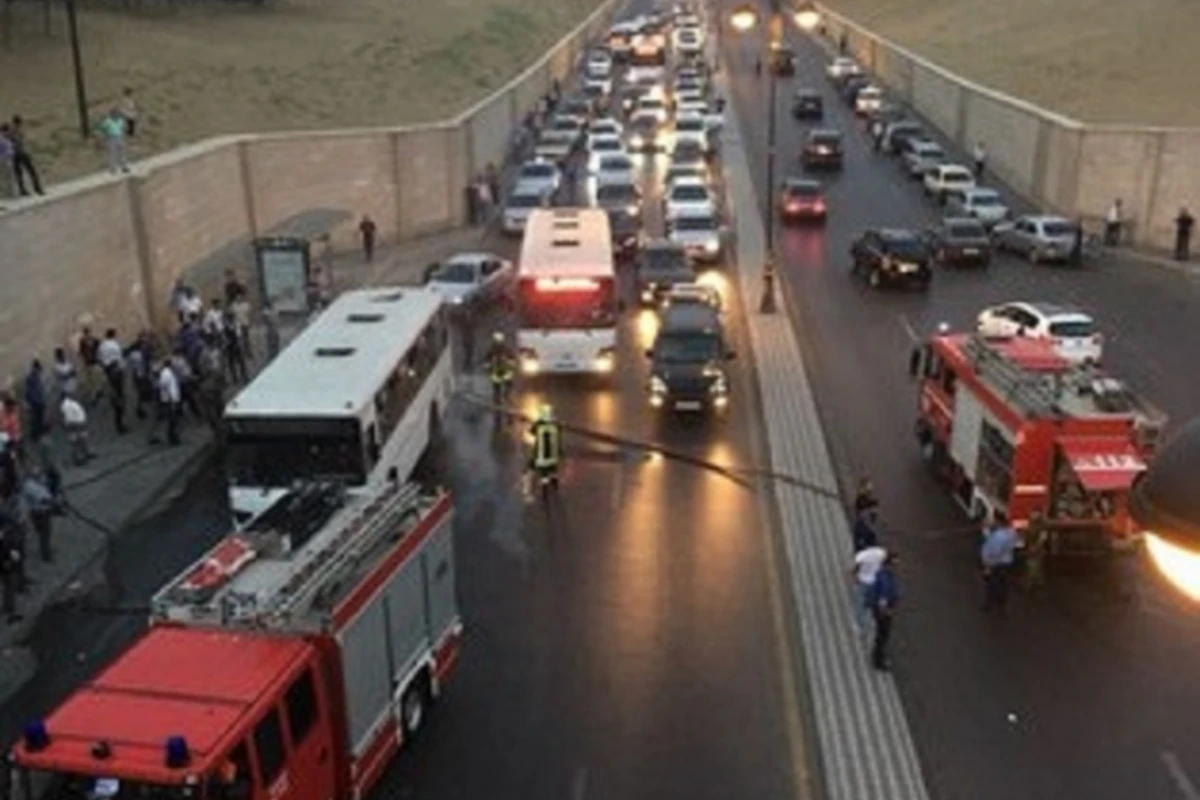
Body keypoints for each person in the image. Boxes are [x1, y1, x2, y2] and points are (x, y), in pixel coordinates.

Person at [866, 552, 899, 670]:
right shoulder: (885, 578)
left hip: (880, 609)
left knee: (881, 634)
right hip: (883, 611)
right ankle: (879, 660)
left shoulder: (882, 575)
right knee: (883, 634)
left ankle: (877, 656)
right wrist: (886, 611)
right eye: (894, 564)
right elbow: (883, 598)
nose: (896, 567)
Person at [981, 514, 1020, 612]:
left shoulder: (999, 536)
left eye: (993, 521)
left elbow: (994, 551)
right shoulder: (1011, 532)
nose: (991, 522)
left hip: (996, 563)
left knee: (992, 584)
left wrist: (988, 565)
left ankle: (989, 604)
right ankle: (1002, 605)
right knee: (1004, 584)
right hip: (1007, 562)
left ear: (998, 522)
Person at [526, 405, 563, 497]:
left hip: (541, 453)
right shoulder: (555, 424)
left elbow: (531, 432)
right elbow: (559, 433)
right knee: (553, 469)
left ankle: (545, 489)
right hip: (553, 453)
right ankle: (555, 483)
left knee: (544, 472)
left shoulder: (539, 424)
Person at [20, 470, 55, 563]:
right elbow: (40, 499)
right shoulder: (28, 486)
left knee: (46, 533)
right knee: (44, 534)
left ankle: (47, 550)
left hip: (44, 511)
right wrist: (52, 501)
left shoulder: (35, 481)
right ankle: (46, 555)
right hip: (39, 513)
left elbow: (45, 487)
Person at [852, 544, 888, 631]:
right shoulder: (880, 553)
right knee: (868, 603)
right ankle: (867, 621)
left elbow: (855, 567)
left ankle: (860, 624)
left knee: (859, 604)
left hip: (862, 581)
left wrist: (854, 577)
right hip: (872, 582)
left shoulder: (862, 555)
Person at [60, 393, 95, 465]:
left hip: (73, 423)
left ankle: (81, 456)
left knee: (77, 441)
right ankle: (80, 457)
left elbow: (66, 416)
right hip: (77, 422)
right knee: (79, 440)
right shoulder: (69, 404)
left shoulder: (65, 405)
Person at [484, 332, 516, 406]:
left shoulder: (506, 350)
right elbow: (487, 360)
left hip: (505, 370)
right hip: (496, 371)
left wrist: (511, 364)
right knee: (497, 386)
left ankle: (506, 397)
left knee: (508, 384)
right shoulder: (492, 351)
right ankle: (498, 399)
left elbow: (512, 358)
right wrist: (488, 366)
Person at [23, 359, 47, 443]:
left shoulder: (35, 376)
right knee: (35, 419)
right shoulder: (31, 378)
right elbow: (28, 391)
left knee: (39, 418)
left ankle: (39, 431)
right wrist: (28, 402)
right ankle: (35, 435)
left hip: (39, 400)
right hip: (36, 401)